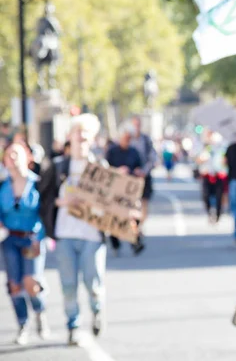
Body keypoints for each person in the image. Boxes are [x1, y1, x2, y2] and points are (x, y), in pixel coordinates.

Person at [38, 113, 107, 345]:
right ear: (70, 137)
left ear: (93, 138)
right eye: (77, 132)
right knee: (68, 284)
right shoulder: (58, 167)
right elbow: (44, 197)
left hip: (92, 234)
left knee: (92, 280)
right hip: (65, 233)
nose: (81, 137)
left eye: (86, 133)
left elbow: (111, 203)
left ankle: (97, 309)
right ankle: (73, 324)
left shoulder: (100, 167)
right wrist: (63, 202)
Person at [0, 142, 49, 345]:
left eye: (16, 154)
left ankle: (40, 312)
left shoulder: (37, 183)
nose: (11, 158)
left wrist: (40, 236)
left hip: (32, 238)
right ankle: (22, 324)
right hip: (10, 239)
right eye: (8, 155)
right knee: (14, 285)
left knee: (30, 283)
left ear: (27, 158)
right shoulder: (2, 186)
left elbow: (45, 214)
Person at [105, 123, 144, 255]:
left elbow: (140, 167)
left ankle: (135, 241)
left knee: (134, 216)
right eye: (126, 137)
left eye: (130, 137)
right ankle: (115, 243)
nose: (127, 140)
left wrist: (137, 171)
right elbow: (105, 169)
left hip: (130, 190)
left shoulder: (134, 152)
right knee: (114, 216)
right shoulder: (112, 151)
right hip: (116, 189)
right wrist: (117, 171)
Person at [130, 116, 157, 226]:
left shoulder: (146, 140)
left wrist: (144, 171)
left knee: (144, 203)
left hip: (144, 176)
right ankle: (134, 227)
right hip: (131, 177)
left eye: (138, 125)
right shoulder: (128, 139)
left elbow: (152, 157)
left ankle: (139, 226)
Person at [196, 131, 228, 224]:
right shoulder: (204, 148)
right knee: (205, 196)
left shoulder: (221, 148)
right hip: (207, 175)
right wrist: (201, 160)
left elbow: (224, 161)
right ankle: (209, 212)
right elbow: (198, 160)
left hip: (218, 175)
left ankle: (218, 214)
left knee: (219, 196)